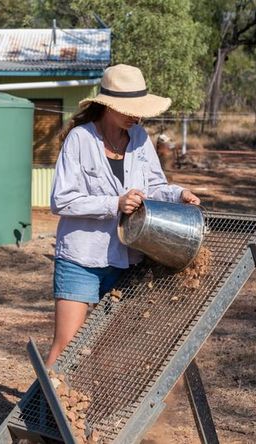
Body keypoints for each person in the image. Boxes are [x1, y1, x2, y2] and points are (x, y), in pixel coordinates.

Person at [47, 64, 200, 365]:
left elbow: (155, 186)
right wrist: (113, 203)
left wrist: (178, 194)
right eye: (129, 108)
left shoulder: (140, 138)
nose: (136, 115)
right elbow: (61, 200)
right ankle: (42, 412)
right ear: (108, 106)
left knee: (106, 346)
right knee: (67, 344)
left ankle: (85, 409)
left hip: (126, 257)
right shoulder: (80, 139)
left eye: (139, 109)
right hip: (81, 257)